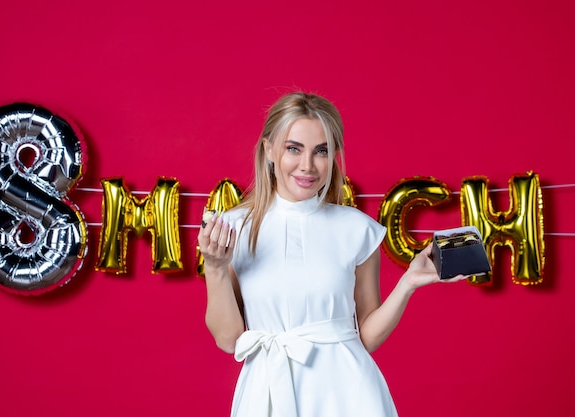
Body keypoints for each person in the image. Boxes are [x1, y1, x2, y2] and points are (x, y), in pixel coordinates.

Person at [197, 92, 466, 417]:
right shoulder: (235, 228)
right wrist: (214, 266)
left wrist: (407, 282)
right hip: (265, 393)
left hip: (349, 395)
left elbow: (365, 336)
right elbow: (229, 340)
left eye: (321, 151)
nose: (307, 166)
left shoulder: (357, 230)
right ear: (269, 150)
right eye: (293, 148)